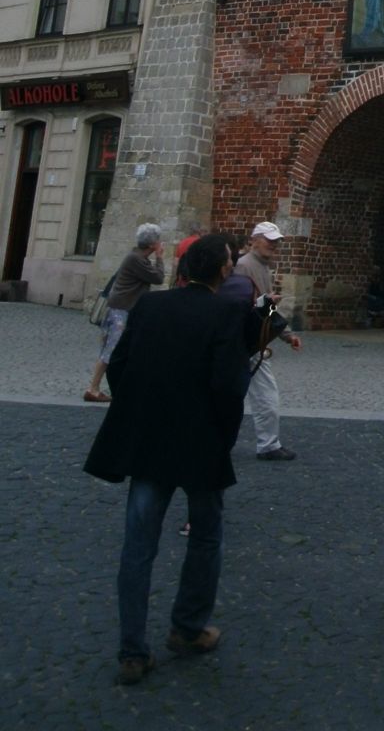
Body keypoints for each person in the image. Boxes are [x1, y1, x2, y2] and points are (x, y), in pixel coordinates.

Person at [83, 233, 250, 685]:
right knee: (206, 538)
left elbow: (119, 364)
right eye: (231, 261)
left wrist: (139, 407)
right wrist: (224, 437)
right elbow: (230, 386)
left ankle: (132, 651)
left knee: (138, 546)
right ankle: (188, 627)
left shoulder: (151, 306)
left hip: (149, 442)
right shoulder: (228, 312)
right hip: (200, 444)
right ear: (223, 269)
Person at [234, 220, 302, 460]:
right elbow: (240, 305)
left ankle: (268, 444)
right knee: (260, 395)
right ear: (255, 240)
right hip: (245, 342)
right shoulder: (244, 266)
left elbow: (266, 308)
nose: (273, 245)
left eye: (276, 241)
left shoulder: (261, 266)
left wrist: (286, 334)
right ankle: (267, 444)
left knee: (264, 395)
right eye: (269, 240)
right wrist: (267, 304)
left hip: (253, 342)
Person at [85, 223, 165, 403]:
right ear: (152, 244)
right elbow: (158, 278)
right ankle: (93, 388)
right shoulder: (136, 259)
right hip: (120, 311)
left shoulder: (137, 258)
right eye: (158, 240)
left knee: (114, 350)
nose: (160, 243)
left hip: (121, 309)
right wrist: (160, 258)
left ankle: (109, 386)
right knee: (111, 350)